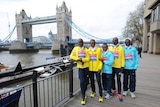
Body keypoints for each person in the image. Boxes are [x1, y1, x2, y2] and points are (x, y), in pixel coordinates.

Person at [70, 38, 89, 105]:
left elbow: (88, 58)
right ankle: (83, 96)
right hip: (80, 68)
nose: (80, 43)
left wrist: (82, 60)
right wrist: (78, 59)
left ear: (83, 42)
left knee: (86, 82)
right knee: (82, 81)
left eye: (81, 42)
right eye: (79, 42)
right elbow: (71, 56)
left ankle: (84, 91)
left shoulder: (86, 49)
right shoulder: (75, 49)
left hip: (86, 68)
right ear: (78, 43)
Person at [108, 37, 125, 102]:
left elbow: (123, 57)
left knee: (118, 80)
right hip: (111, 66)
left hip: (118, 67)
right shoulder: (110, 48)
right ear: (112, 41)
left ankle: (119, 93)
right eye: (113, 40)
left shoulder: (121, 48)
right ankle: (114, 89)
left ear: (117, 41)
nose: (114, 41)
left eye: (116, 40)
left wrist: (122, 66)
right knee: (112, 79)